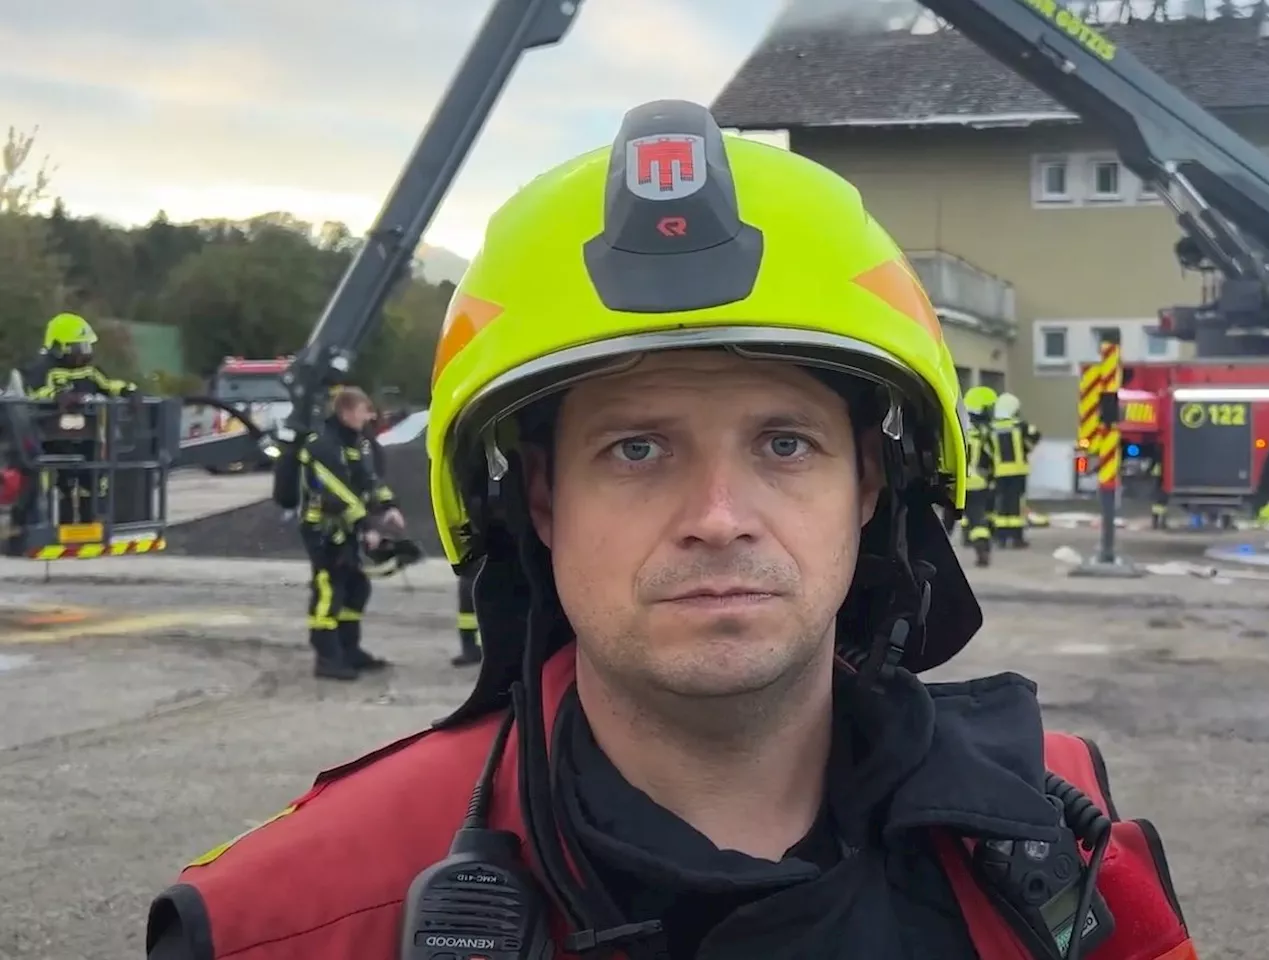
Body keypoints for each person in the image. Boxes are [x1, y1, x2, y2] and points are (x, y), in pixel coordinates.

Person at [145, 102, 1195, 960]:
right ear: (540, 503)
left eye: (783, 445)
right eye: (636, 451)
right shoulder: (276, 925)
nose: (717, 519)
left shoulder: (1060, 848)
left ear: (869, 485)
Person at [297, 386, 405, 680]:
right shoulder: (322, 445)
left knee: (357, 587)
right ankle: (327, 658)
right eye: (363, 411)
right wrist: (367, 526)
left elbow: (368, 480)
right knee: (329, 590)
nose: (369, 417)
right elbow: (338, 493)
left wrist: (388, 506)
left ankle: (349, 649)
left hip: (346, 528)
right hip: (322, 529)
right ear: (346, 412)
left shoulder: (355, 442)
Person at [20, 312, 139, 523]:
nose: (84, 354)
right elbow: (34, 393)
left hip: (87, 437)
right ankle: (53, 525)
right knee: (59, 483)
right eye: (78, 348)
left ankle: (89, 524)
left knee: (90, 480)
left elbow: (109, 385)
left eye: (86, 347)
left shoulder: (89, 372)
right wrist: (58, 397)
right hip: (52, 439)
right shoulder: (44, 370)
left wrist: (129, 391)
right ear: (59, 348)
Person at [988, 391, 1036, 549]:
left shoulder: (992, 428)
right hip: (1017, 471)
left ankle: (1001, 538)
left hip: (1000, 472)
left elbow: (988, 450)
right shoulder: (1020, 426)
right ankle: (1017, 539)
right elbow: (1033, 439)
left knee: (1001, 505)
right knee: (1016, 505)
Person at [960, 386, 996, 566]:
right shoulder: (982, 434)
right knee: (978, 519)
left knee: (947, 521)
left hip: (959, 482)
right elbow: (990, 457)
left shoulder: (960, 430)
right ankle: (982, 550)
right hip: (977, 482)